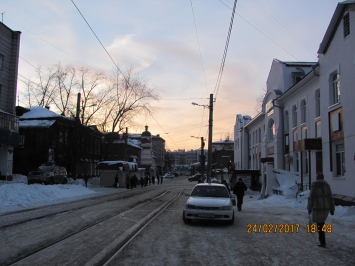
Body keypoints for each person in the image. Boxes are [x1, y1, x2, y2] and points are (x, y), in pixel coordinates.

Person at [307, 172, 335, 248]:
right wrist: (332, 208)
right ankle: (323, 240)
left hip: (317, 207)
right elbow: (330, 197)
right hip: (325, 207)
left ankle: (322, 241)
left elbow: (311, 197)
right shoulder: (327, 185)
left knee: (319, 224)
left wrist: (309, 208)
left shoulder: (314, 185)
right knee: (321, 222)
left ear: (317, 177)